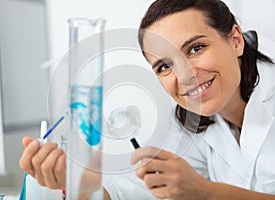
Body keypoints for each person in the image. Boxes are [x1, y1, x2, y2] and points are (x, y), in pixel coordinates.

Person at [19, 0, 275, 199]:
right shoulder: (193, 122)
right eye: (165, 66)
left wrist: (206, 193)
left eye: (196, 48)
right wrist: (86, 185)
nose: (184, 75)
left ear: (236, 40)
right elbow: (133, 191)